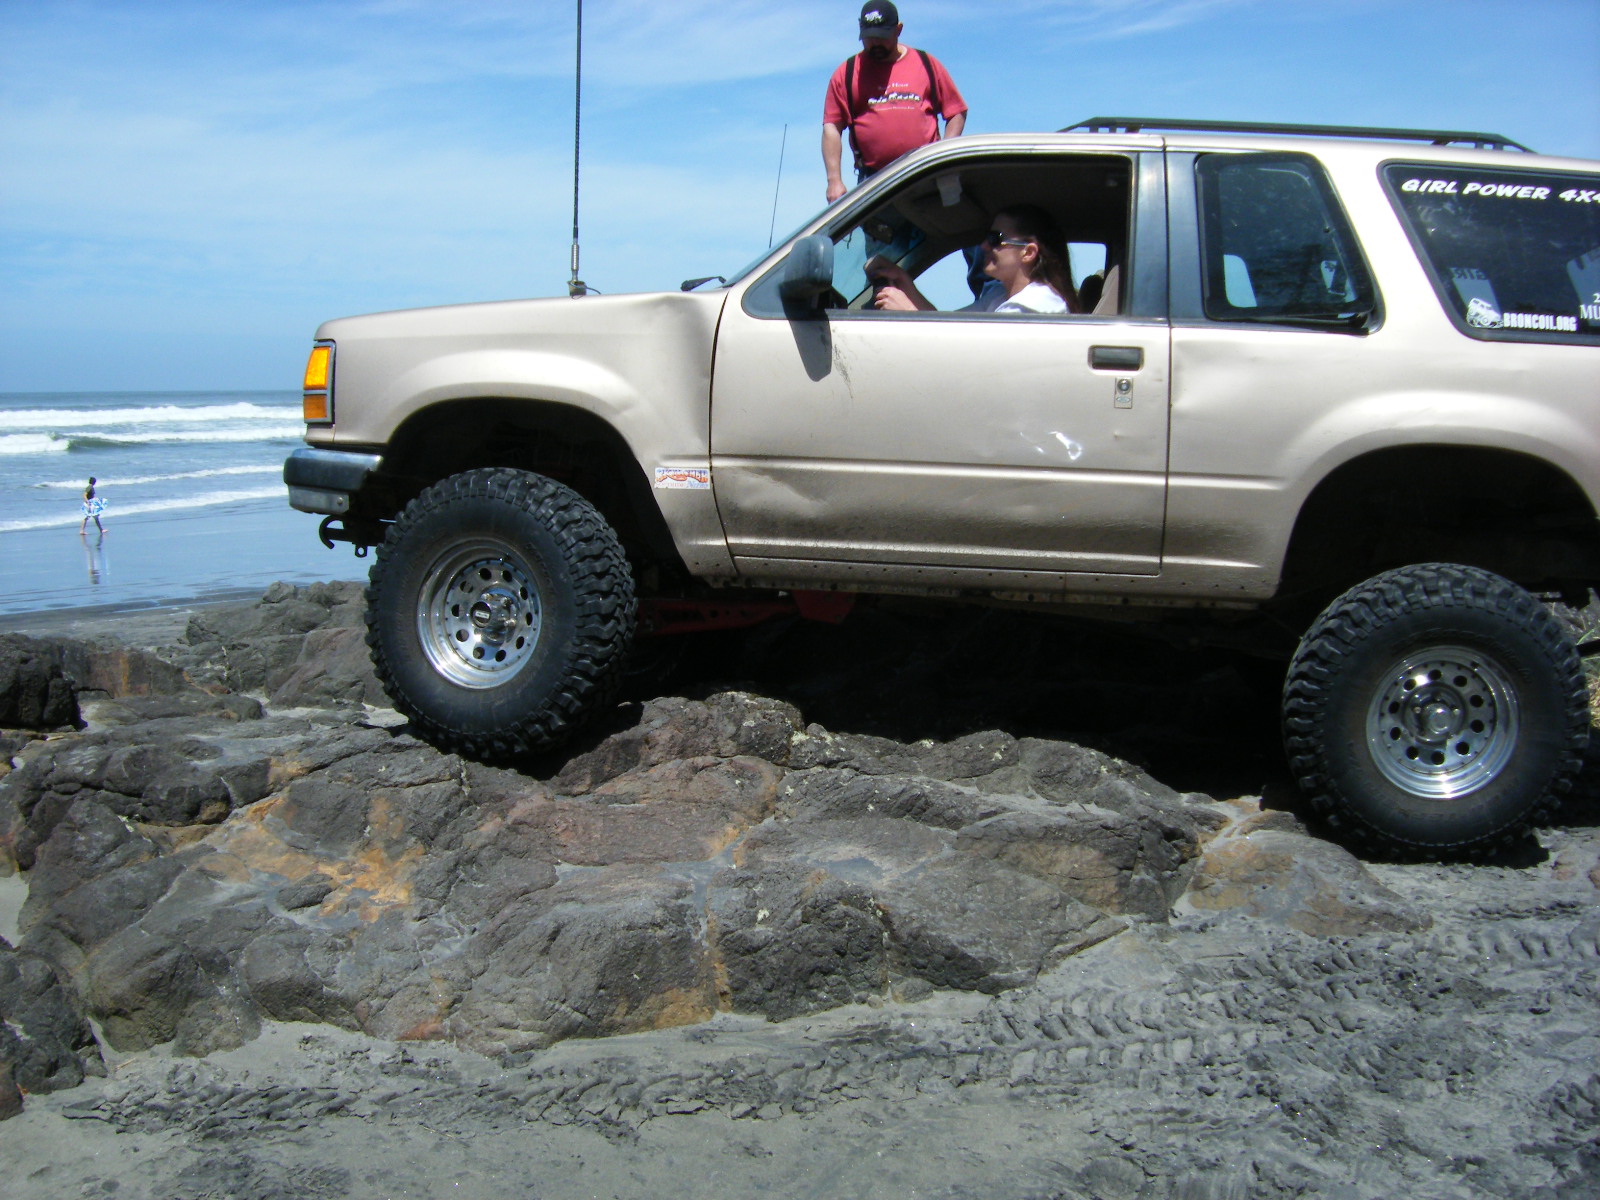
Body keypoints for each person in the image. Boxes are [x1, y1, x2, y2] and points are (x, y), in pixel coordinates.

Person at [822, 2, 967, 204]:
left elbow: (956, 112)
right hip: (874, 181)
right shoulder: (847, 73)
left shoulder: (926, 64)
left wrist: (943, 156)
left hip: (926, 176)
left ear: (898, 30)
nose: (875, 43)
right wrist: (834, 181)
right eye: (869, 37)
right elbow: (831, 126)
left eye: (882, 36)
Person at [869, 205, 1081, 314]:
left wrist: (908, 312)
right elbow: (949, 327)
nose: (984, 246)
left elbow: (967, 358)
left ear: (1028, 253)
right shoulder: (999, 296)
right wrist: (905, 283)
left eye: (995, 239)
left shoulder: (1032, 305)